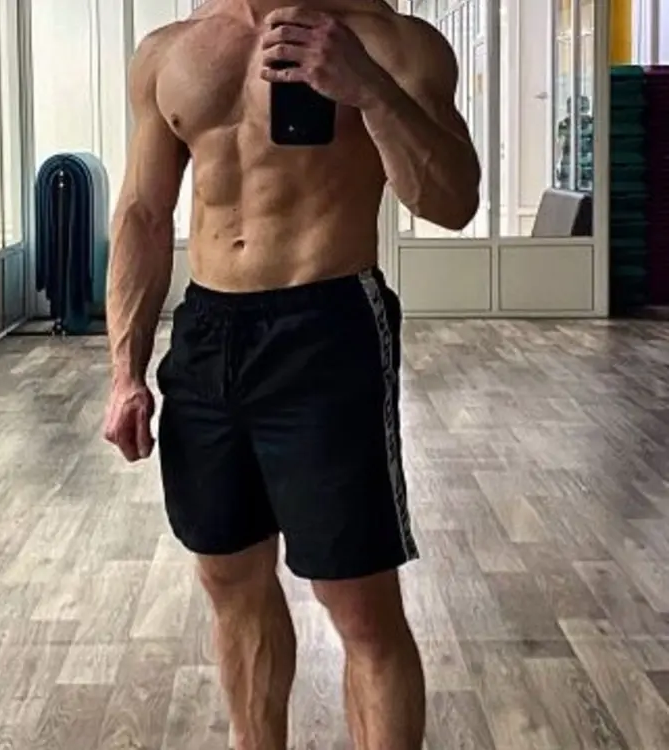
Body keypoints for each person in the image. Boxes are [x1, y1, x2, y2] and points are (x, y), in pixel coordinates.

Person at [104, 0, 480, 747]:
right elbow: (144, 213)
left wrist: (369, 90)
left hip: (327, 326)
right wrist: (125, 371)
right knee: (229, 581)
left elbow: (453, 202)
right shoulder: (170, 52)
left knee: (358, 601)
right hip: (208, 333)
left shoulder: (391, 41)